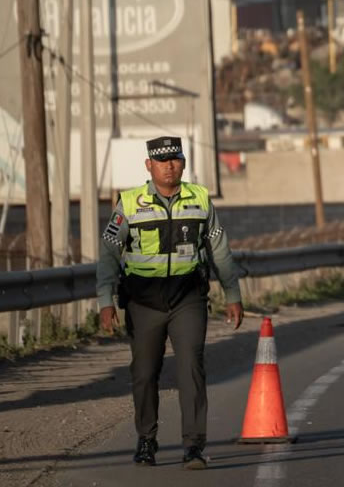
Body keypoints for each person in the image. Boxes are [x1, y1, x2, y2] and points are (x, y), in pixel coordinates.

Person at [97, 136, 244, 470]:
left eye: (175, 159)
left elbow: (220, 250)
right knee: (144, 372)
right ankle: (146, 440)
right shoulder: (130, 203)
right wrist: (105, 299)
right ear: (149, 165)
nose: (169, 166)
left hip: (187, 297)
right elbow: (108, 251)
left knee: (191, 365)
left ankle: (193, 446)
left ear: (184, 163)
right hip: (143, 300)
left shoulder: (201, 199)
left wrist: (232, 294)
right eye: (162, 161)